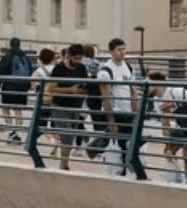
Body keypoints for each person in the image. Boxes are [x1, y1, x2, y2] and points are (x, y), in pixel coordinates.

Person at [94, 37, 136, 173]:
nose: (123, 52)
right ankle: (114, 171)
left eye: (124, 49)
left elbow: (133, 92)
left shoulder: (128, 67)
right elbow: (105, 97)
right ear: (111, 52)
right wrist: (111, 120)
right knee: (117, 148)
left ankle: (121, 170)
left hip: (127, 113)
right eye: (119, 50)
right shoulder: (105, 71)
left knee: (126, 147)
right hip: (116, 113)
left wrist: (136, 114)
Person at [47, 45, 92, 171]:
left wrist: (84, 91)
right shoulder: (59, 68)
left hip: (76, 106)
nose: (78, 61)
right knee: (67, 134)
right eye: (76, 58)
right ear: (69, 56)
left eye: (80, 58)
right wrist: (70, 90)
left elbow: (84, 86)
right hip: (60, 106)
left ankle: (64, 162)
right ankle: (64, 164)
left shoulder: (82, 68)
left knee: (70, 136)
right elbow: (51, 88)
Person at [0, 37, 33, 143]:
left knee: (5, 108)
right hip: (22, 87)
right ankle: (16, 132)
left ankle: (12, 131)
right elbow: (30, 72)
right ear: (19, 45)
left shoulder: (7, 56)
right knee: (18, 110)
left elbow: (0, 72)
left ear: (10, 45)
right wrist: (26, 87)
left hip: (9, 86)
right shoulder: (25, 57)